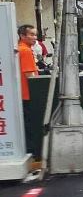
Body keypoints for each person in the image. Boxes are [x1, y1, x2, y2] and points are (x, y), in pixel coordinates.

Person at [17, 24, 39, 154]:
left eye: (35, 34)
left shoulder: (19, 49)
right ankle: (32, 151)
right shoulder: (25, 51)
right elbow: (30, 76)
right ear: (22, 36)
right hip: (27, 94)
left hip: (21, 94)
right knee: (30, 125)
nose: (34, 37)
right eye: (31, 34)